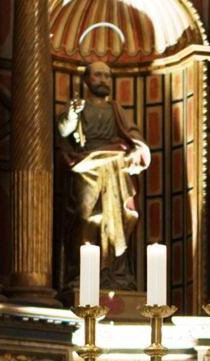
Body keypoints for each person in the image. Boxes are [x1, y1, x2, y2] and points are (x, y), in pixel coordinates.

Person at [57, 61, 150, 291]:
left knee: (118, 218)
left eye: (107, 76)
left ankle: (115, 272)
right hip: (86, 165)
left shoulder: (116, 109)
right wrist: (71, 115)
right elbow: (63, 131)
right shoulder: (79, 106)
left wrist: (137, 147)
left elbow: (132, 132)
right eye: (98, 75)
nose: (103, 80)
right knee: (85, 217)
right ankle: (82, 272)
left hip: (115, 168)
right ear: (87, 80)